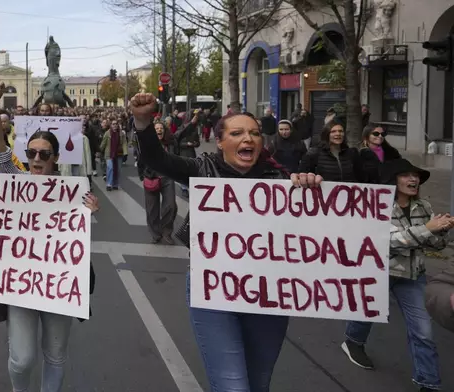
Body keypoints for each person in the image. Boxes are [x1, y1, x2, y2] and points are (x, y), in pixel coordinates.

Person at [130, 92, 322, 392]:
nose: (248, 139)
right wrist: (143, 123)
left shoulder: (280, 180)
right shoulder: (202, 168)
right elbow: (156, 159)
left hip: (267, 293)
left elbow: (311, 237)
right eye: (237, 133)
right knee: (233, 387)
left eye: (255, 133)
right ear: (219, 141)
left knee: (259, 384)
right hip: (214, 290)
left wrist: (309, 190)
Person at [0, 81, 99, 392]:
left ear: (56, 158)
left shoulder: (72, 191)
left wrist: (90, 211)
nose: (37, 158)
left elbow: (78, 237)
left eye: (44, 154)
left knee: (56, 356)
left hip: (58, 284)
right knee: (21, 359)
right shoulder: (14, 179)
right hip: (20, 282)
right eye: (32, 152)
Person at [341, 158, 450, 392]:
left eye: (416, 176)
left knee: (423, 332)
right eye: (406, 175)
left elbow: (435, 246)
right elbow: (386, 242)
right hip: (381, 272)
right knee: (368, 313)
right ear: (393, 179)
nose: (413, 179)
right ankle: (353, 341)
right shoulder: (378, 207)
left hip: (413, 276)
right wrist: (427, 229)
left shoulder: (424, 207)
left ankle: (428, 383)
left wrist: (443, 231)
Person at [138, 121, 177, 244]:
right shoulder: (146, 145)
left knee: (171, 206)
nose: (159, 130)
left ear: (164, 131)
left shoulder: (170, 144)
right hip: (151, 178)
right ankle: (155, 234)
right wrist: (142, 175)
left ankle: (166, 232)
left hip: (167, 178)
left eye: (161, 128)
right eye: (157, 128)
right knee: (151, 209)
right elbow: (140, 161)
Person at [298, 120, 366, 183]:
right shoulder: (313, 154)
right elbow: (302, 176)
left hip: (350, 193)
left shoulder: (352, 153)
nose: (338, 134)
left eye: (341, 131)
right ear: (326, 134)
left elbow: (361, 178)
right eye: (333, 131)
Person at [100, 118, 128, 191]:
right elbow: (103, 143)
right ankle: (109, 184)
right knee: (110, 168)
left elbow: (124, 143)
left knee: (117, 169)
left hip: (119, 154)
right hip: (109, 154)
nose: (115, 125)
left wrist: (125, 152)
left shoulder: (122, 133)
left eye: (116, 124)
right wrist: (99, 150)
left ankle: (115, 184)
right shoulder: (107, 133)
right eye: (113, 124)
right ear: (111, 125)